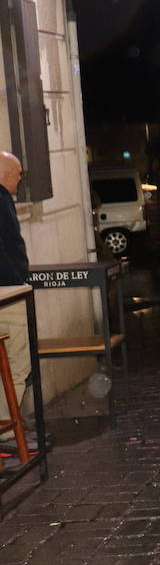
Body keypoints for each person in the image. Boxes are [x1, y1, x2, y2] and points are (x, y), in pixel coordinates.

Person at [0, 151, 35, 458]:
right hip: (6, 293)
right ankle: (9, 432)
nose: (21, 178)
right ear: (4, 175)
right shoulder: (0, 199)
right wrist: (17, 280)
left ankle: (10, 427)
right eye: (18, 173)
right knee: (16, 362)